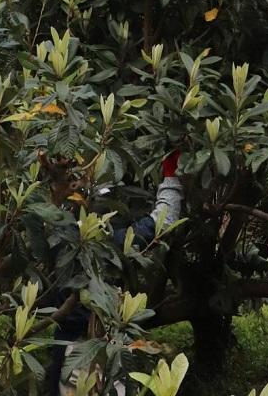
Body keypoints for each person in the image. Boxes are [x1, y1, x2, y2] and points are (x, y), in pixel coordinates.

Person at [47, 152, 183, 396]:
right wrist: (171, 176)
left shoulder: (55, 232)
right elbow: (162, 221)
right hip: (98, 345)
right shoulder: (111, 243)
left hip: (75, 346)